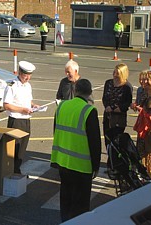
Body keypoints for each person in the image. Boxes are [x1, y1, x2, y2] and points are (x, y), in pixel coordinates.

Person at [51, 79, 101, 222]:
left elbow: (56, 130)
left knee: (65, 198)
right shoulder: (89, 111)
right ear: (90, 93)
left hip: (62, 160)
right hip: (81, 166)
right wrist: (96, 166)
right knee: (80, 205)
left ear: (75, 90)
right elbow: (94, 142)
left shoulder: (62, 106)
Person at [3, 61, 40, 174]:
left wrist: (33, 105)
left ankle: (17, 169)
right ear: (19, 73)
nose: (28, 78)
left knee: (22, 148)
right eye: (25, 75)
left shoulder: (28, 86)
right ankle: (12, 171)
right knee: (14, 148)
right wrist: (22, 110)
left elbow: (28, 100)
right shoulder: (11, 85)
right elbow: (6, 105)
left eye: (29, 75)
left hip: (26, 120)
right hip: (16, 120)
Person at [102, 63, 132, 151]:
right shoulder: (108, 83)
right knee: (107, 140)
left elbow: (128, 101)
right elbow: (104, 97)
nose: (115, 75)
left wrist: (120, 108)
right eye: (114, 72)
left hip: (119, 118)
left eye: (117, 73)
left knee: (116, 140)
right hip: (108, 115)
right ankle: (109, 158)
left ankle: (116, 160)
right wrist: (107, 106)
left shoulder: (127, 87)